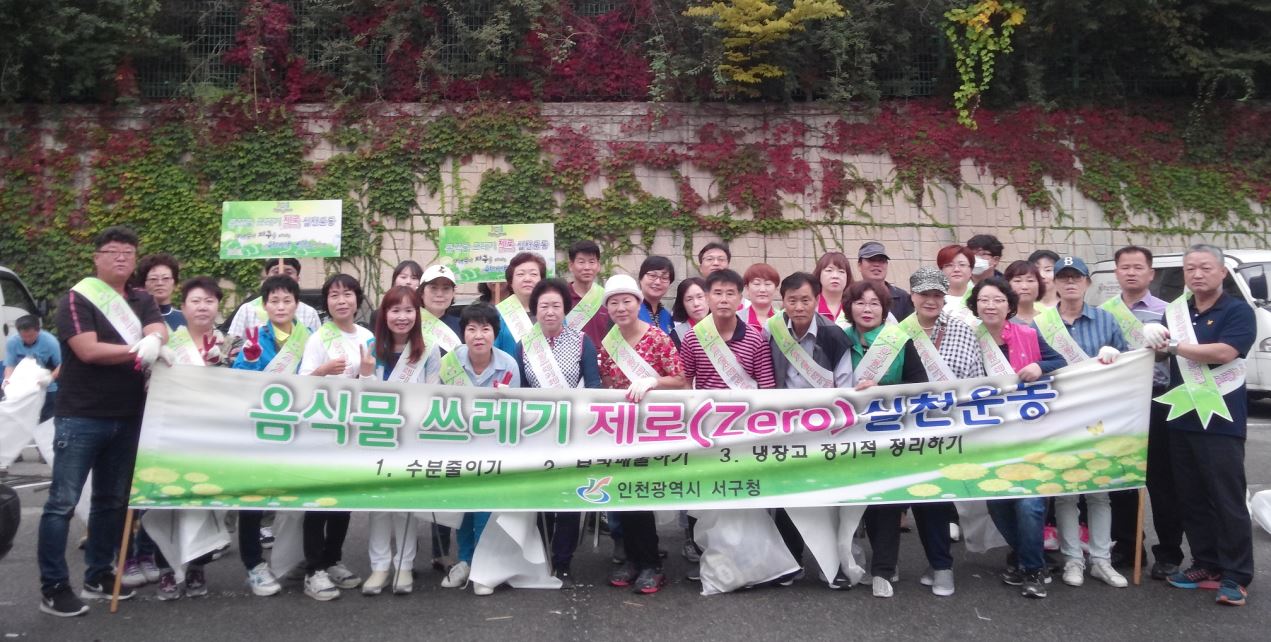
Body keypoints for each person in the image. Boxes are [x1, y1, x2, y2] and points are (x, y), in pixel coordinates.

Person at [38, 226, 168, 617]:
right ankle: (54, 587)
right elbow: (88, 350)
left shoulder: (141, 298)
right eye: (113, 251)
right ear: (96, 257)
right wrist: (139, 348)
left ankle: (98, 574)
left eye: (129, 251)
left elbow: (157, 327)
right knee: (62, 504)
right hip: (81, 415)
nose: (122, 257)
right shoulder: (77, 298)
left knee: (112, 501)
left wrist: (155, 338)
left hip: (128, 416)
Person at [1152, 245, 1256, 607]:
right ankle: (1206, 563)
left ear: (1222, 272)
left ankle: (1236, 575)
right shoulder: (1176, 311)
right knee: (1191, 497)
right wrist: (1154, 342)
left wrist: (1174, 345)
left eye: (1205, 267)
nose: (1197, 274)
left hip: (1221, 418)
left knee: (1226, 498)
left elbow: (1225, 352)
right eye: (1190, 268)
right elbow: (1163, 352)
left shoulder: (1237, 310)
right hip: (1182, 416)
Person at [677, 269, 777, 585]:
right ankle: (711, 559)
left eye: (730, 293)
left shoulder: (756, 338)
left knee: (741, 497)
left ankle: (748, 563)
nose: (723, 299)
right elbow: (684, 383)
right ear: (708, 297)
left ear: (740, 298)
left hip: (744, 433)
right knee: (709, 498)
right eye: (717, 293)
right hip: (706, 433)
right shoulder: (694, 337)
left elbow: (767, 387)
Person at [969, 276, 1066, 599]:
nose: (990, 306)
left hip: (1030, 434)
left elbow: (1059, 361)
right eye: (984, 300)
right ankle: (1027, 557)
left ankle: (1033, 569)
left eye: (998, 300)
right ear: (975, 305)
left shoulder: (1027, 333)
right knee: (998, 504)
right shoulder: (969, 338)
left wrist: (1039, 366)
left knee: (1029, 503)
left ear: (1009, 305)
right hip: (989, 436)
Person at [1035, 257, 1129, 590]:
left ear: (1088, 282)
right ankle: (1072, 559)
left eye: (1077, 277)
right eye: (1064, 277)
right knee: (1066, 495)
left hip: (1100, 417)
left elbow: (1128, 364)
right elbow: (1038, 366)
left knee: (1100, 493)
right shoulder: (1042, 324)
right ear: (1055, 283)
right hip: (1061, 417)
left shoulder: (1106, 320)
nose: (1070, 283)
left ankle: (1101, 560)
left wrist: (1116, 358)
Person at [597, 274, 686, 594]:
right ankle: (632, 560)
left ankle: (651, 564)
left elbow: (681, 380)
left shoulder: (658, 338)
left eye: (627, 301)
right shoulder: (609, 344)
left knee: (641, 496)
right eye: (614, 302)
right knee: (622, 494)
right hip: (621, 430)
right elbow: (607, 384)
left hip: (652, 431)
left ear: (638, 303)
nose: (621, 308)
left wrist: (654, 382)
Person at [901, 267, 988, 596]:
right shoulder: (898, 333)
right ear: (912, 296)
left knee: (936, 498)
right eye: (924, 294)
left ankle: (942, 567)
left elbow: (976, 378)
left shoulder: (962, 331)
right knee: (920, 499)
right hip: (911, 430)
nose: (931, 300)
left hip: (952, 429)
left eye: (937, 294)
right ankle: (932, 564)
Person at [767, 272, 854, 588]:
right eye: (792, 300)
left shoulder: (834, 335)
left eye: (805, 300)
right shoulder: (773, 331)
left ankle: (834, 566)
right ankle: (791, 561)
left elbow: (844, 385)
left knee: (828, 497)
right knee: (788, 495)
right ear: (783, 302)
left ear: (817, 299)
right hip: (786, 428)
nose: (799, 307)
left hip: (825, 427)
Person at [146, 276, 231, 600]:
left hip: (211, 439)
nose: (202, 307)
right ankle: (166, 570)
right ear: (183, 307)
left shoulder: (228, 343)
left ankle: (197, 567)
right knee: (167, 502)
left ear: (218, 306)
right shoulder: (167, 343)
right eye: (196, 301)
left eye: (209, 301)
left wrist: (221, 366)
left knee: (203, 503)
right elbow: (149, 385)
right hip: (171, 437)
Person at [1099, 246, 1181, 579]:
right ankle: (1128, 545)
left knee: (1162, 480)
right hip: (1119, 402)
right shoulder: (1104, 313)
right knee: (1122, 478)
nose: (1131, 272)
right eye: (1125, 267)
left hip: (1159, 398)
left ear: (1151, 273)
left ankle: (1170, 552)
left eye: (1138, 267)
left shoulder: (1169, 312)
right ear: (1116, 272)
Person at [844, 281, 928, 598]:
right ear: (849, 307)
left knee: (887, 502)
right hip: (849, 436)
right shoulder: (839, 339)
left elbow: (918, 386)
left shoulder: (899, 341)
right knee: (862, 503)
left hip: (890, 433)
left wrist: (881, 392)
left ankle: (883, 569)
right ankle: (862, 561)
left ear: (884, 309)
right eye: (860, 302)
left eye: (874, 303)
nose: (867, 309)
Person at [515, 278, 602, 587]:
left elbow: (594, 385)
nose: (550, 312)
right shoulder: (525, 345)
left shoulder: (582, 341)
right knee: (540, 496)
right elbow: (521, 390)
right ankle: (542, 556)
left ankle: (563, 560)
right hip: (537, 432)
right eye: (544, 306)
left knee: (567, 495)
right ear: (534, 310)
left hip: (572, 432)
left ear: (565, 308)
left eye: (556, 305)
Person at [297, 274, 376, 601]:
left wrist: (366, 374)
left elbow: (375, 384)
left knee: (344, 500)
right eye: (334, 295)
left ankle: (333, 559)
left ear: (357, 299)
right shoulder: (318, 338)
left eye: (347, 294)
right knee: (319, 499)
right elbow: (302, 384)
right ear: (326, 302)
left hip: (353, 429)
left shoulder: (368, 337)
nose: (341, 300)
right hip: (322, 428)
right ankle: (313, 569)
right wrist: (323, 371)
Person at [232, 275, 309, 598]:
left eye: (287, 300)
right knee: (253, 498)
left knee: (300, 498)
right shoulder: (254, 338)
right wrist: (249, 360)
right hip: (260, 430)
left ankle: (295, 558)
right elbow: (238, 380)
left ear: (296, 304)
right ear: (264, 306)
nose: (280, 306)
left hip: (299, 430)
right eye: (274, 301)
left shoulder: (309, 338)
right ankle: (254, 563)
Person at [436, 302, 520, 596]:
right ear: (463, 334)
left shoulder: (508, 365)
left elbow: (517, 414)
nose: (478, 335)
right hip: (458, 447)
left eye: (485, 329)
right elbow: (436, 403)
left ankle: (484, 565)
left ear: (495, 333)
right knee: (464, 505)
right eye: (471, 329)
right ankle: (465, 561)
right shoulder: (449, 362)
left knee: (485, 504)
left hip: (494, 449)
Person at [363, 286, 439, 596]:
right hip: (378, 437)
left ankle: (405, 565)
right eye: (395, 310)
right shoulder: (370, 348)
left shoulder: (429, 350)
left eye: (409, 310)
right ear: (384, 314)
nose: (402, 317)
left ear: (417, 315)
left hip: (412, 439)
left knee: (405, 505)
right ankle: (379, 567)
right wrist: (365, 374)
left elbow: (434, 394)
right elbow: (362, 396)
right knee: (378, 505)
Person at [225, 258, 322, 346]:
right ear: (267, 277)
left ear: (298, 278)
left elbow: (319, 347)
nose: (281, 275)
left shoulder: (310, 312)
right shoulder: (247, 309)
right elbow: (232, 343)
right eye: (276, 272)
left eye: (288, 272)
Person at [3, 315, 60, 423]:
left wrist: (49, 379)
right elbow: (10, 365)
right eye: (23, 336)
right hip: (23, 389)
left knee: (47, 420)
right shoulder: (13, 342)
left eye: (31, 336)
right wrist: (7, 379)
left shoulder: (50, 342)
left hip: (47, 387)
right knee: (21, 420)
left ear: (38, 331)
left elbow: (62, 364)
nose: (27, 339)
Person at [494, 252, 545, 356]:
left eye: (533, 274)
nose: (527, 279)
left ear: (542, 280)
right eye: (520, 274)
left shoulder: (553, 311)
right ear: (510, 282)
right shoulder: (497, 314)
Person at [565, 240, 611, 348]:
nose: (587, 267)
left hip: (602, 358)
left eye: (591, 262)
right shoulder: (561, 298)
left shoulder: (607, 299)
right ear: (571, 265)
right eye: (581, 262)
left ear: (598, 266)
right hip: (569, 357)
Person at [857, 241, 914, 320]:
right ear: (859, 265)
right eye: (871, 260)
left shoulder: (903, 298)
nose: (876, 264)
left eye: (881, 260)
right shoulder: (851, 296)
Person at [135, 253, 186, 329]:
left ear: (174, 283)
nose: (160, 283)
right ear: (144, 284)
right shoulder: (134, 319)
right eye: (153, 279)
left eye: (165, 278)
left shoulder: (186, 319)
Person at [812, 252, 853, 329]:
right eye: (829, 270)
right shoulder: (810, 305)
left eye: (841, 271)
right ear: (819, 274)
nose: (835, 276)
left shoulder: (854, 306)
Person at [637, 256, 676, 334]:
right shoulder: (630, 309)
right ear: (641, 278)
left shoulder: (667, 317)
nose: (658, 282)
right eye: (652, 276)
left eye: (664, 278)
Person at [740, 263, 780, 337]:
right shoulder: (737, 318)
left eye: (767, 284)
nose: (762, 290)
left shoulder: (783, 318)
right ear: (747, 288)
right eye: (757, 284)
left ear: (776, 289)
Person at [669, 277, 709, 350]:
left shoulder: (724, 326)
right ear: (682, 304)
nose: (696, 304)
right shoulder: (678, 333)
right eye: (689, 299)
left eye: (700, 297)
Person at [1005, 260, 1048, 324]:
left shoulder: (1049, 320)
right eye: (1017, 281)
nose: (1024, 286)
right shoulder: (1001, 319)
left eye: (1030, 280)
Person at [937, 244, 976, 312]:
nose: (956, 269)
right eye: (949, 265)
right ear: (941, 270)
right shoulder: (932, 298)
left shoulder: (979, 297)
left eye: (962, 265)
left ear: (971, 270)